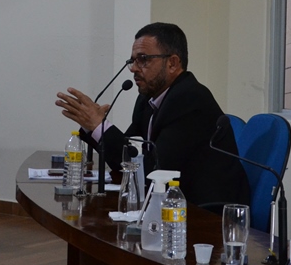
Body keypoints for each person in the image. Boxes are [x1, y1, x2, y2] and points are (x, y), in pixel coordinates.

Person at [55, 22, 249, 207]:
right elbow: (128, 157)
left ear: (172, 63)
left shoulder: (190, 100)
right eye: (132, 60)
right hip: (170, 202)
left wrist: (100, 126)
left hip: (206, 213)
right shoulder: (148, 99)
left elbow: (153, 171)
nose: (133, 68)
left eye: (143, 59)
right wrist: (93, 125)